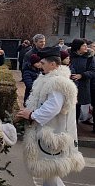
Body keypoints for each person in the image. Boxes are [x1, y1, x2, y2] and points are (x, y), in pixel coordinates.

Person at [16, 47, 85, 186]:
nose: (40, 65)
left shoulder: (57, 82)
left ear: (53, 64)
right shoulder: (51, 79)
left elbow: (53, 107)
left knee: (51, 173)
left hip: (53, 134)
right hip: (51, 132)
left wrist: (32, 115)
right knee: (50, 175)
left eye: (43, 62)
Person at [68, 38, 95, 123]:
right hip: (69, 84)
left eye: (86, 45)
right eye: (84, 45)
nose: (86, 47)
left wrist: (81, 75)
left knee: (77, 105)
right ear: (77, 47)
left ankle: (74, 125)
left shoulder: (90, 57)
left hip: (83, 85)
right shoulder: (69, 56)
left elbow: (93, 71)